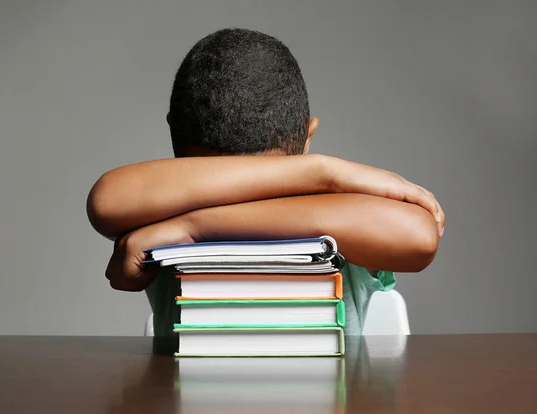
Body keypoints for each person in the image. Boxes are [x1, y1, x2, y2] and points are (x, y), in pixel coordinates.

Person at [86, 28, 445, 336]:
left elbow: (419, 237)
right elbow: (105, 200)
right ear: (308, 139)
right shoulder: (328, 184)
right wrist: (321, 173)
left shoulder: (166, 218)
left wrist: (194, 226)